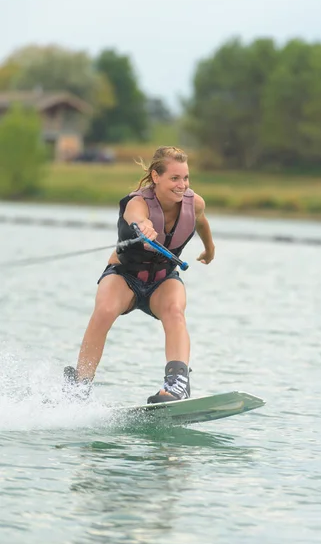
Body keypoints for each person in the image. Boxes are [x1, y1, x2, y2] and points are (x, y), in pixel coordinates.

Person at [63, 146, 215, 403]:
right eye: (174, 178)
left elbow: (201, 221)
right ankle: (80, 385)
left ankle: (177, 385)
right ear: (156, 177)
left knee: (175, 312)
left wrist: (209, 249)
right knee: (105, 310)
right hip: (125, 275)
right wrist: (143, 225)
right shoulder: (137, 202)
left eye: (185, 178)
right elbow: (134, 215)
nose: (182, 185)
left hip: (162, 279)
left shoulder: (194, 202)